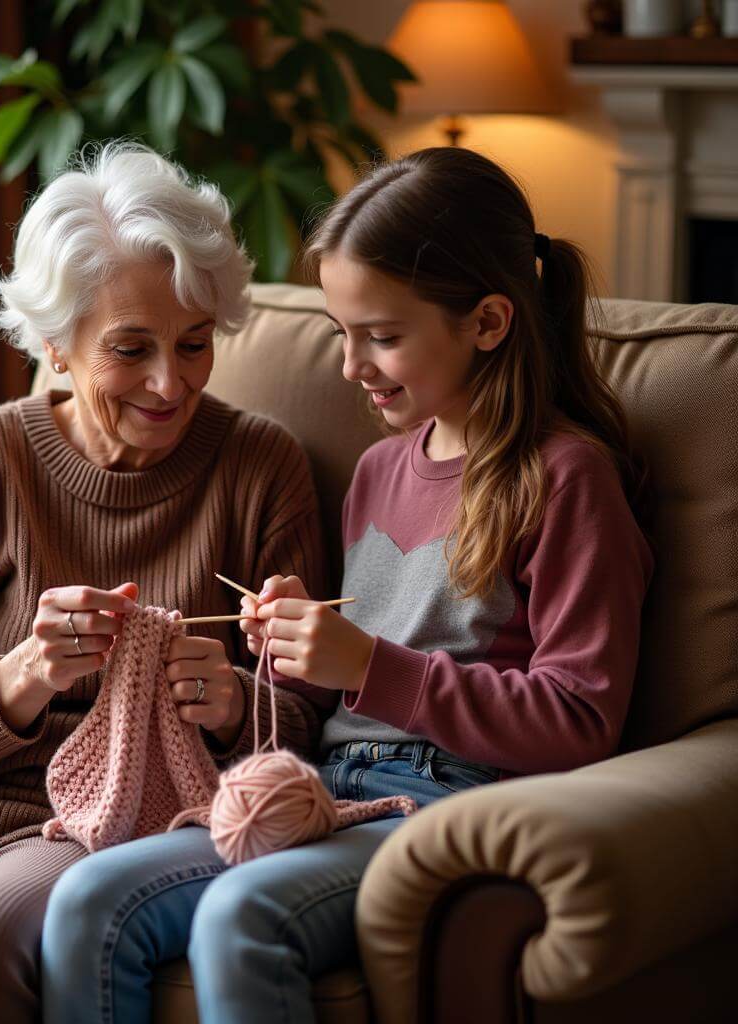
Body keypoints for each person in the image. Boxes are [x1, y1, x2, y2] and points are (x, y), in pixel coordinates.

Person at [39, 146, 655, 1024]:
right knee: (86, 899)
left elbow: (583, 721)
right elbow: (328, 700)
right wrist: (286, 653)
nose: (351, 365)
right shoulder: (375, 472)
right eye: (341, 333)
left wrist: (368, 664)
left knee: (242, 918)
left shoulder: (565, 479)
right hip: (324, 786)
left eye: (384, 336)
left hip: (455, 804)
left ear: (487, 322)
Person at [0, 143, 327, 1024]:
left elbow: (308, 728)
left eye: (194, 344)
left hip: (100, 819)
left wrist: (233, 703)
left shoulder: (262, 466)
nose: (170, 382)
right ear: (54, 345)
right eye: (130, 349)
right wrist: (25, 676)